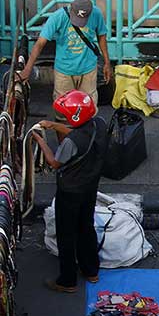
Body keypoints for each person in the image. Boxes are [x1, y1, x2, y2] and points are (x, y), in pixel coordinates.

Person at [32, 90, 108, 292]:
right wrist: (54, 125)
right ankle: (91, 271)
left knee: (66, 234)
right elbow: (80, 134)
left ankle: (67, 281)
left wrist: (40, 141)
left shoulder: (70, 143)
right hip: (90, 186)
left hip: (70, 191)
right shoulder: (99, 124)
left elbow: (54, 162)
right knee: (86, 226)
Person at [20, 0, 111, 108]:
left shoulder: (96, 14)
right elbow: (39, 44)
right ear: (71, 9)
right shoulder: (57, 17)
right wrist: (28, 69)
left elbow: (102, 36)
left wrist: (107, 63)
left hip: (88, 69)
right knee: (63, 108)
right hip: (64, 71)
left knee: (88, 107)